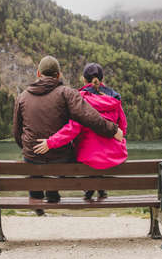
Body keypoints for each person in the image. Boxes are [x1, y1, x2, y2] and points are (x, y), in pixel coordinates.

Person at [13, 56, 123, 215]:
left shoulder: (22, 96)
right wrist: (113, 130)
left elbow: (17, 132)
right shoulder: (66, 93)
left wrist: (28, 147)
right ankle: (53, 193)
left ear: (38, 73)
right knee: (71, 152)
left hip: (32, 155)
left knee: (32, 159)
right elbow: (89, 117)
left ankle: (37, 200)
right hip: (60, 156)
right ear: (59, 75)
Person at [34, 62, 127, 200]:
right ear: (102, 79)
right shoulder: (114, 99)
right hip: (114, 155)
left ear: (84, 79)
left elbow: (72, 129)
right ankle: (98, 190)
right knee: (99, 149)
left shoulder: (80, 100)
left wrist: (50, 142)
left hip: (89, 157)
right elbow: (123, 127)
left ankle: (88, 189)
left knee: (85, 150)